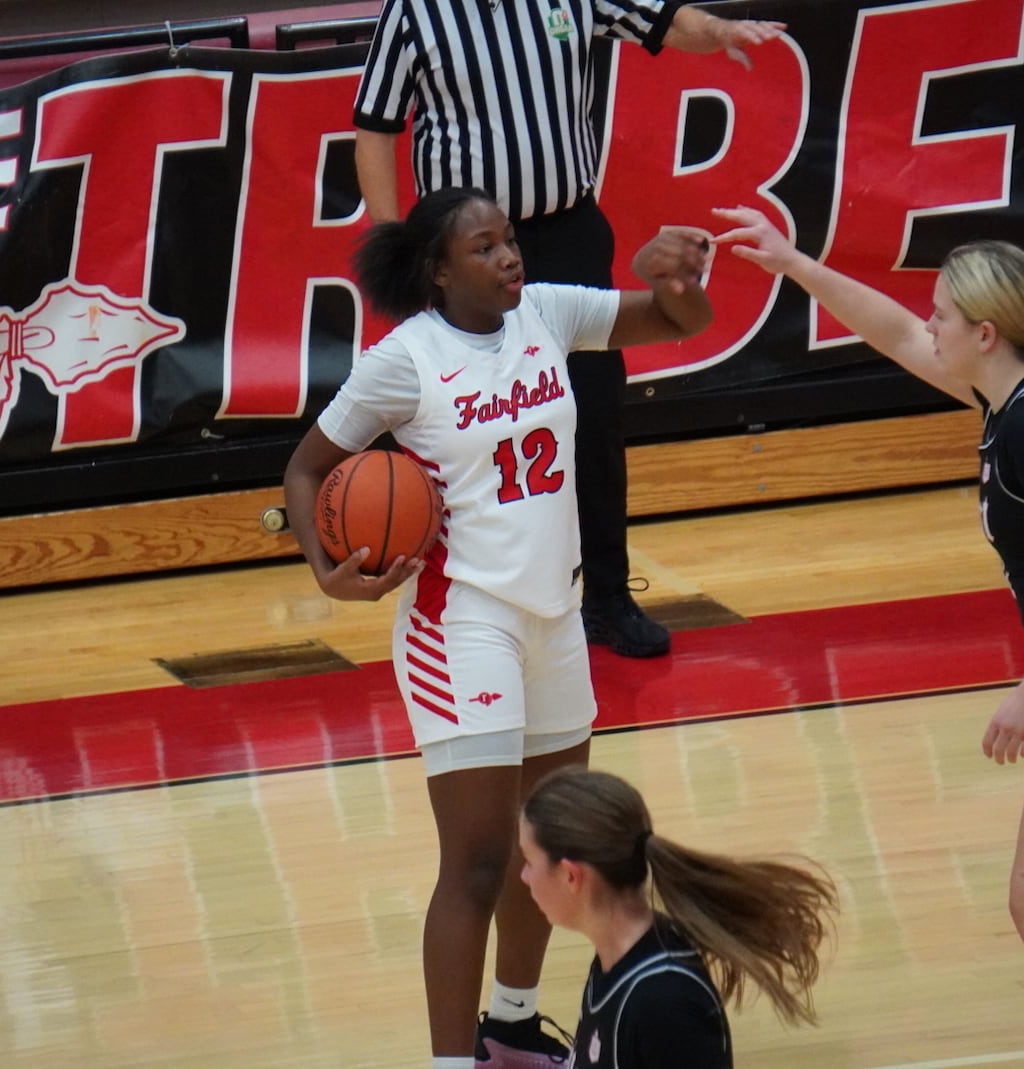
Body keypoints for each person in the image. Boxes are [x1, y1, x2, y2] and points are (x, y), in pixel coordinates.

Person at [712, 207, 1024, 1069]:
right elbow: (895, 335)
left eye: (944, 315)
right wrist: (795, 264)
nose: (930, 325)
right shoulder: (1014, 391)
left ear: (985, 332)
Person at [282, 187, 712, 1069]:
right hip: (462, 623)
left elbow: (679, 321)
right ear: (440, 272)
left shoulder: (548, 313)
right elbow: (307, 467)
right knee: (477, 862)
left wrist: (677, 276)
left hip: (555, 614)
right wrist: (329, 572)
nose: (510, 257)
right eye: (486, 248)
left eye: (510, 240)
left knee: (552, 846)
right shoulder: (406, 359)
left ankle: (510, 1029)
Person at [353, 0, 786, 658]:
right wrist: (399, 252)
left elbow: (664, 21)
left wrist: (723, 31)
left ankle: (607, 596)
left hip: (568, 234)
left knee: (594, 411)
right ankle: (472, 595)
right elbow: (375, 128)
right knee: (469, 420)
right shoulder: (415, 10)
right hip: (461, 255)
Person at [517, 765, 836, 1068]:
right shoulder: (613, 961)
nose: (523, 876)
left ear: (572, 876)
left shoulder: (663, 1002)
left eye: (529, 861)